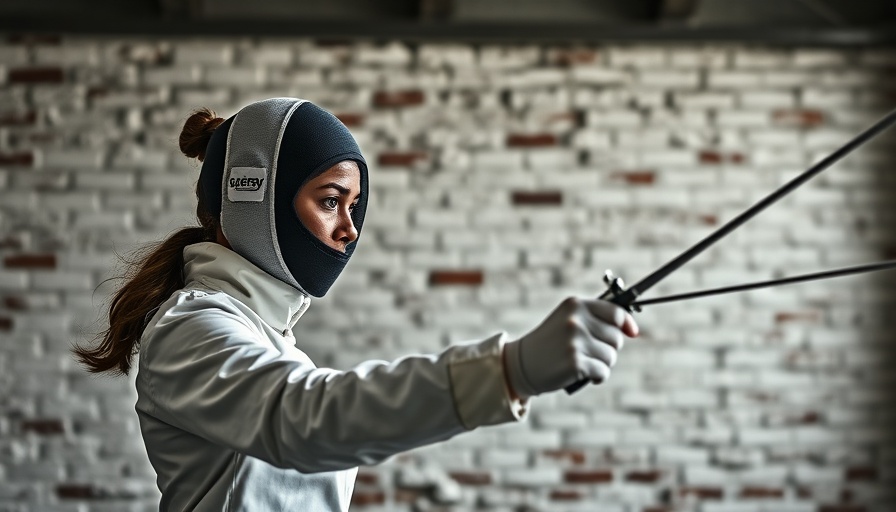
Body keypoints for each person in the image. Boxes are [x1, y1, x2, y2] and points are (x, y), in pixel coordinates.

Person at [74, 98, 639, 511]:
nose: (348, 230)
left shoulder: (268, 337)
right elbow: (305, 420)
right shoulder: (191, 328)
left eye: (354, 206)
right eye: (329, 201)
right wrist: (508, 370)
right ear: (253, 197)